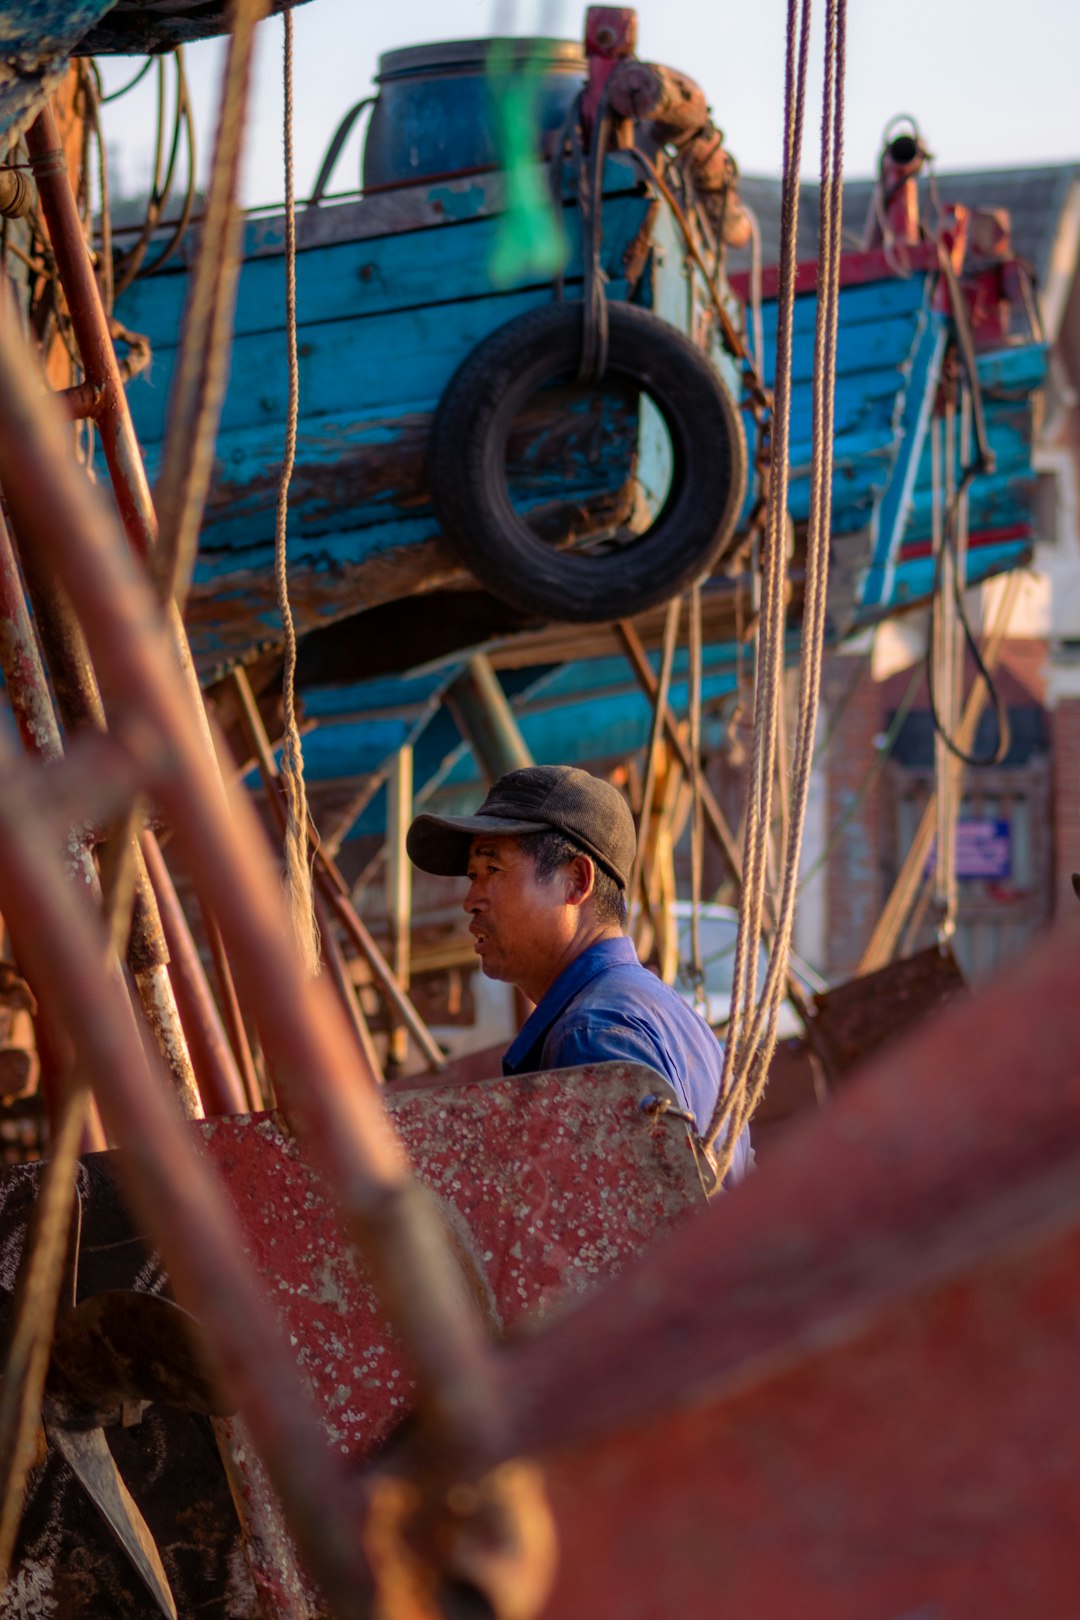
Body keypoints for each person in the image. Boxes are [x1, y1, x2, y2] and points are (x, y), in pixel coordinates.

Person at [406, 763, 751, 1185]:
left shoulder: (591, 1035)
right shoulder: (667, 1012)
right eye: (473, 877)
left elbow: (626, 1242)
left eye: (492, 871)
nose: (471, 901)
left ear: (576, 880)